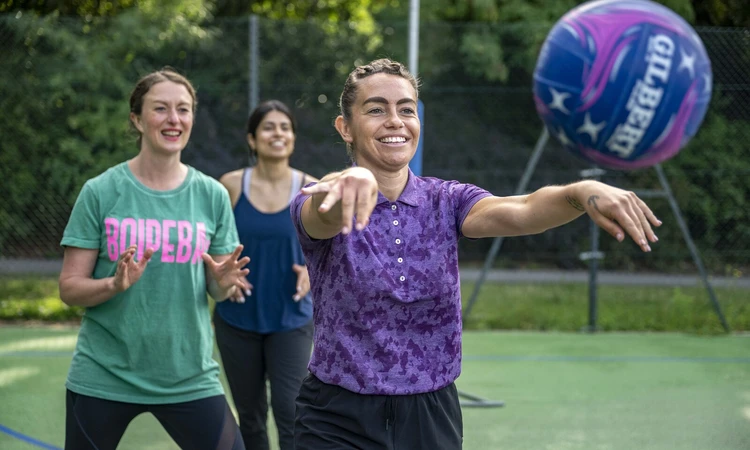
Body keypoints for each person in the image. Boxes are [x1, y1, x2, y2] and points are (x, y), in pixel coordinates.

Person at [290, 58, 661, 449]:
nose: (395, 120)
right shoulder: (320, 197)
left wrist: (579, 193)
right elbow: (326, 209)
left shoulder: (446, 199)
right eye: (376, 109)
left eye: (406, 109)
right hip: (336, 417)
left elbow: (522, 210)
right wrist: (354, 179)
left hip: (430, 414)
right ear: (345, 127)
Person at [58, 68, 250, 450]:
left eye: (184, 109)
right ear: (137, 119)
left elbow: (216, 286)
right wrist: (114, 284)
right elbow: (69, 288)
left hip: (189, 375)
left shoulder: (211, 195)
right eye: (160, 108)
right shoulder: (100, 191)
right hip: (104, 374)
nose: (174, 119)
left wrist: (224, 284)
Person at [213, 100, 317, 450]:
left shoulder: (311, 189)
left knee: (291, 411)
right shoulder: (229, 186)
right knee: (251, 417)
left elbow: (333, 251)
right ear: (252, 139)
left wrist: (311, 271)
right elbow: (208, 244)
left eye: (285, 127)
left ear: (293, 138)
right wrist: (223, 268)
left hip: (291, 318)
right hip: (237, 318)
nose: (278, 133)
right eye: (269, 127)